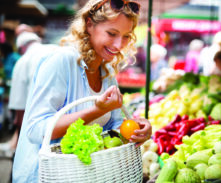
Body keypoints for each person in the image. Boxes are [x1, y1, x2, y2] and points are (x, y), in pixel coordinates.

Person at [12, 0, 152, 182]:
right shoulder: (61, 61)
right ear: (89, 24)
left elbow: (113, 128)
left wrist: (136, 131)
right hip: (45, 176)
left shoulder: (107, 71)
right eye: (112, 33)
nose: (119, 45)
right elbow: (36, 129)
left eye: (126, 36)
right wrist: (96, 111)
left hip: (85, 176)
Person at [4, 31, 58, 155]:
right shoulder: (56, 49)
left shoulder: (23, 60)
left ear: (21, 48)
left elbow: (19, 104)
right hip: (64, 119)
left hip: (38, 125)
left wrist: (18, 129)